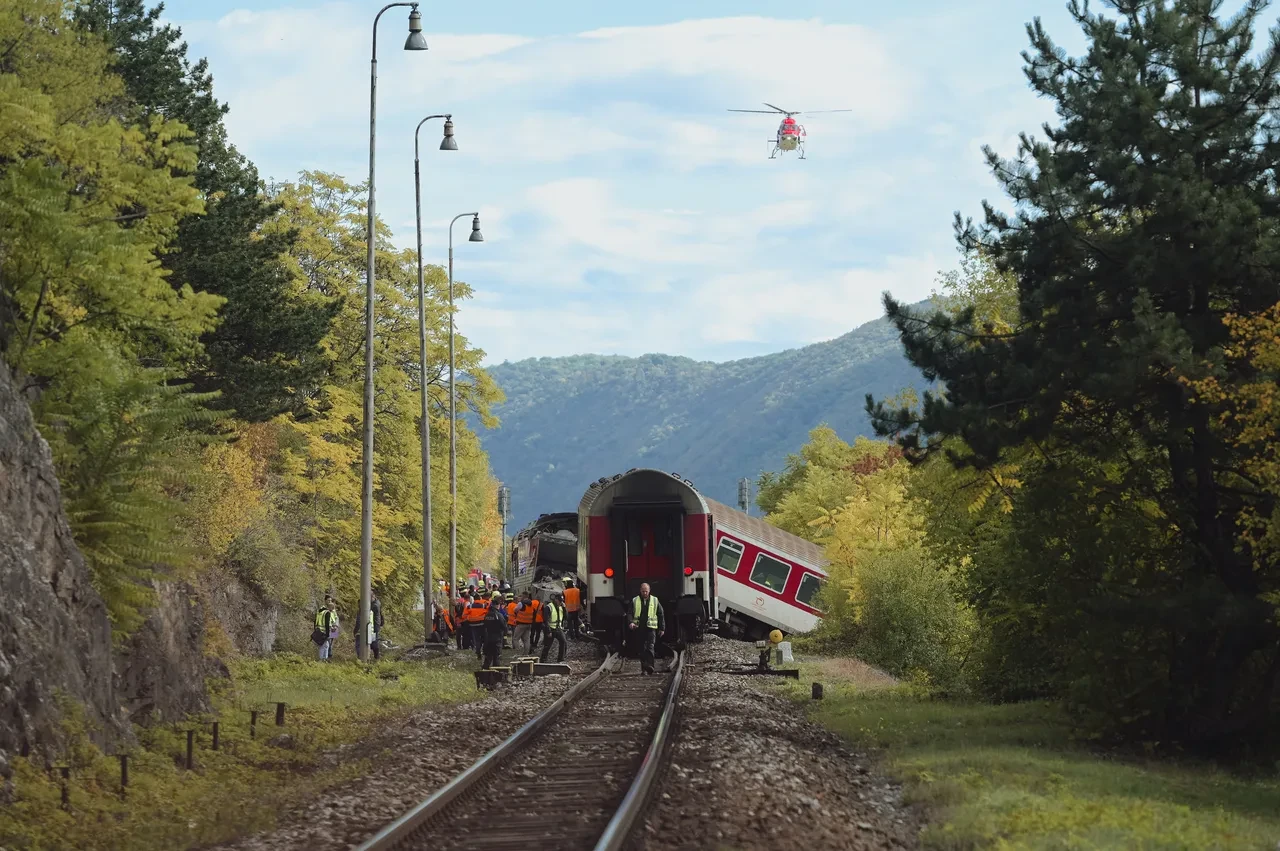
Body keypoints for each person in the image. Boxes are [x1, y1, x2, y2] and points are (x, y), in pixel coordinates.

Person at [627, 583, 664, 675]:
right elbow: (630, 613)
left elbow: (660, 614)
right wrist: (631, 622)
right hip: (639, 628)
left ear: (649, 590)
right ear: (640, 590)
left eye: (646, 591)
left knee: (650, 647)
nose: (645, 593)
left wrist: (662, 628)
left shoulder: (655, 600)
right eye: (643, 591)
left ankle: (650, 666)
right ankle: (644, 669)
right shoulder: (635, 600)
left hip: (651, 628)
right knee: (641, 649)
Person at [482, 590, 507, 669]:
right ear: (497, 605)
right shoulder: (499, 615)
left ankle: (484, 671)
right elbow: (504, 627)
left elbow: (484, 625)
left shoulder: (487, 615)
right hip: (497, 639)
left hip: (488, 638)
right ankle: (496, 672)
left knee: (488, 657)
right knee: (496, 657)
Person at [540, 592, 567, 664]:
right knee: (547, 646)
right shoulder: (549, 607)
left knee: (563, 642)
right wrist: (548, 631)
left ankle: (560, 659)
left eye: (562, 601)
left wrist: (564, 608)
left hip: (558, 628)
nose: (560, 602)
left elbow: (566, 617)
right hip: (550, 628)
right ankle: (543, 660)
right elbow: (546, 620)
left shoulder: (561, 607)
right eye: (559, 601)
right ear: (555, 599)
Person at [465, 593, 489, 660]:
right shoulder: (484, 606)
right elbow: (488, 613)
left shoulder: (469, 606)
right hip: (482, 624)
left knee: (477, 640)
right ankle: (484, 651)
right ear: (480, 599)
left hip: (473, 625)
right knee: (485, 639)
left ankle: (478, 652)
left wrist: (470, 618)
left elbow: (464, 615)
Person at [314, 596, 338, 661]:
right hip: (326, 628)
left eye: (330, 600)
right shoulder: (322, 609)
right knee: (325, 644)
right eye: (328, 600)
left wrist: (335, 626)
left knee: (330, 643)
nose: (329, 601)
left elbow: (336, 618)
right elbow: (323, 621)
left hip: (332, 627)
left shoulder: (333, 609)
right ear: (325, 600)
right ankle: (324, 658)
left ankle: (327, 657)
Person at [370, 592, 385, 660]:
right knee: (373, 640)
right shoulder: (377, 602)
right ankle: (376, 656)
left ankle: (377, 656)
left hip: (374, 625)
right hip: (376, 624)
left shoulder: (374, 605)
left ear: (373, 597)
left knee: (373, 641)